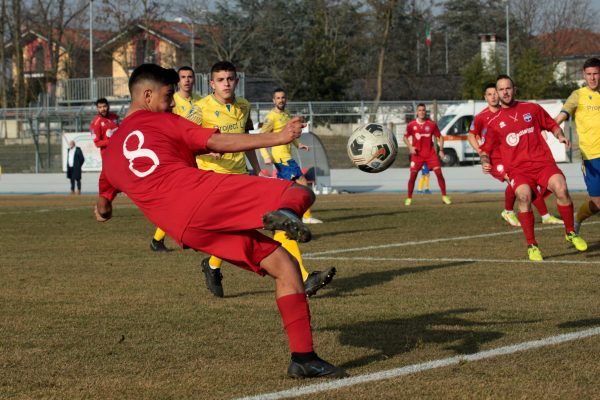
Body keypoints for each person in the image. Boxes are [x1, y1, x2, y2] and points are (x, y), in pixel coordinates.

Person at [94, 63, 347, 379]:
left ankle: (303, 358)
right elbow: (218, 142)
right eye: (168, 95)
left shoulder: (111, 155)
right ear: (147, 95)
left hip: (186, 230)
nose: (172, 103)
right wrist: (278, 137)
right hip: (200, 196)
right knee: (298, 192)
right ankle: (288, 215)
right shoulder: (161, 122)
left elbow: (103, 206)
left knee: (284, 265)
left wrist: (104, 210)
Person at [480, 75, 587, 261]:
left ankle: (571, 232)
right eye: (501, 89)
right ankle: (532, 245)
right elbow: (485, 149)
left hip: (542, 162)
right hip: (518, 169)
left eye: (508, 88)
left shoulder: (531, 108)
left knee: (561, 189)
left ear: (514, 89)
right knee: (523, 196)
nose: (505, 92)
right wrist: (484, 161)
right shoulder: (494, 122)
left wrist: (559, 135)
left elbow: (552, 125)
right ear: (496, 93)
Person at [259, 88, 335, 297]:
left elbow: (288, 135)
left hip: (288, 156)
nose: (281, 100)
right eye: (278, 98)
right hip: (281, 158)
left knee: (289, 194)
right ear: (273, 100)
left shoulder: (285, 116)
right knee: (302, 187)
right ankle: (304, 217)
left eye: (283, 97)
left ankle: (295, 217)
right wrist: (266, 155)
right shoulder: (272, 116)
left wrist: (299, 144)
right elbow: (264, 135)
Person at [468, 83, 563, 227]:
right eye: (490, 94)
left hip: (511, 156)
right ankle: (512, 211)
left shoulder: (507, 112)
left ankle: (543, 215)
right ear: (485, 97)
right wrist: (481, 152)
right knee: (517, 183)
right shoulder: (481, 117)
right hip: (495, 159)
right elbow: (471, 135)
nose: (493, 96)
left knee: (526, 185)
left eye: (495, 93)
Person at [151, 66, 202, 252]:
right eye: (183, 77)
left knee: (191, 199)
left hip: (195, 154)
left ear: (194, 79)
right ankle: (160, 239)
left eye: (190, 77)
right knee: (180, 199)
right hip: (176, 155)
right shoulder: (172, 100)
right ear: (178, 81)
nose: (187, 80)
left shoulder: (200, 102)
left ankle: (182, 235)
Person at [555, 57, 600, 234]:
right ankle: (578, 218)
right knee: (597, 203)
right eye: (589, 74)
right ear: (584, 75)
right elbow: (562, 115)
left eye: (596, 73)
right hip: (591, 158)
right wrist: (555, 129)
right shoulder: (578, 95)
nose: (592, 78)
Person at [403, 103, 451, 206]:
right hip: (417, 156)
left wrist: (441, 150)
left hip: (430, 155)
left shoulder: (431, 124)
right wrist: (410, 147)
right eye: (419, 110)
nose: (421, 112)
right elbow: (405, 137)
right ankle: (409, 198)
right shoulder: (411, 125)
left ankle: (444, 196)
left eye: (423, 110)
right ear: (417, 112)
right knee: (413, 176)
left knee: (439, 174)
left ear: (426, 112)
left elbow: (440, 137)